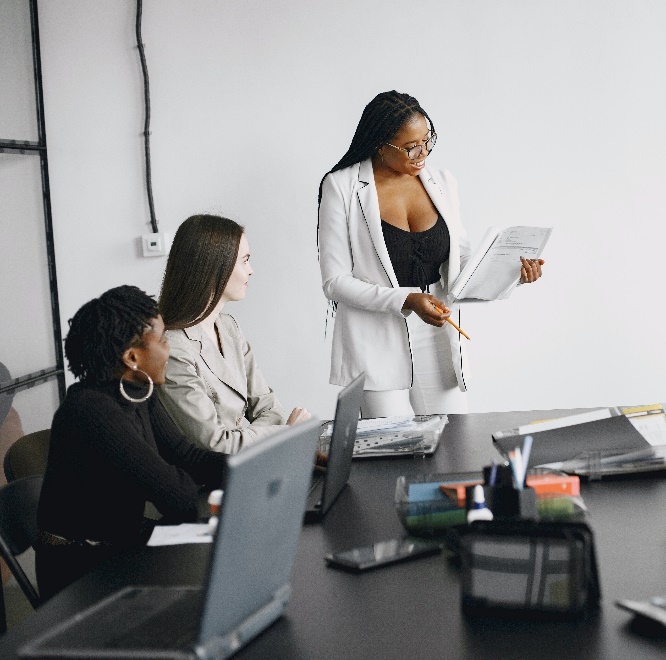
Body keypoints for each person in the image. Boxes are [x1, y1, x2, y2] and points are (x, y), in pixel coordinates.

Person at [318, 91, 544, 417]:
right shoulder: (342, 187)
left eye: (427, 140)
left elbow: (461, 263)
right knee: (392, 448)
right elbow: (335, 282)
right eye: (411, 147)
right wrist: (406, 300)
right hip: (377, 336)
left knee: (454, 443)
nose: (422, 152)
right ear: (380, 145)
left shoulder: (442, 182)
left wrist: (513, 272)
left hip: (437, 330)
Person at [36, 286, 226, 599]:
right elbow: (177, 498)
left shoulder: (136, 393)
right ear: (132, 357)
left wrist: (255, 466)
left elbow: (188, 456)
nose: (169, 349)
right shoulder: (90, 411)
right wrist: (190, 483)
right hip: (82, 577)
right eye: (163, 339)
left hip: (121, 548)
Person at [157, 214, 311, 453]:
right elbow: (216, 444)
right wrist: (285, 433)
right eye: (245, 261)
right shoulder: (173, 349)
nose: (251, 271)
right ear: (214, 266)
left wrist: (248, 437)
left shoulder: (229, 327)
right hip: (209, 481)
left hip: (248, 463)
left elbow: (270, 408)